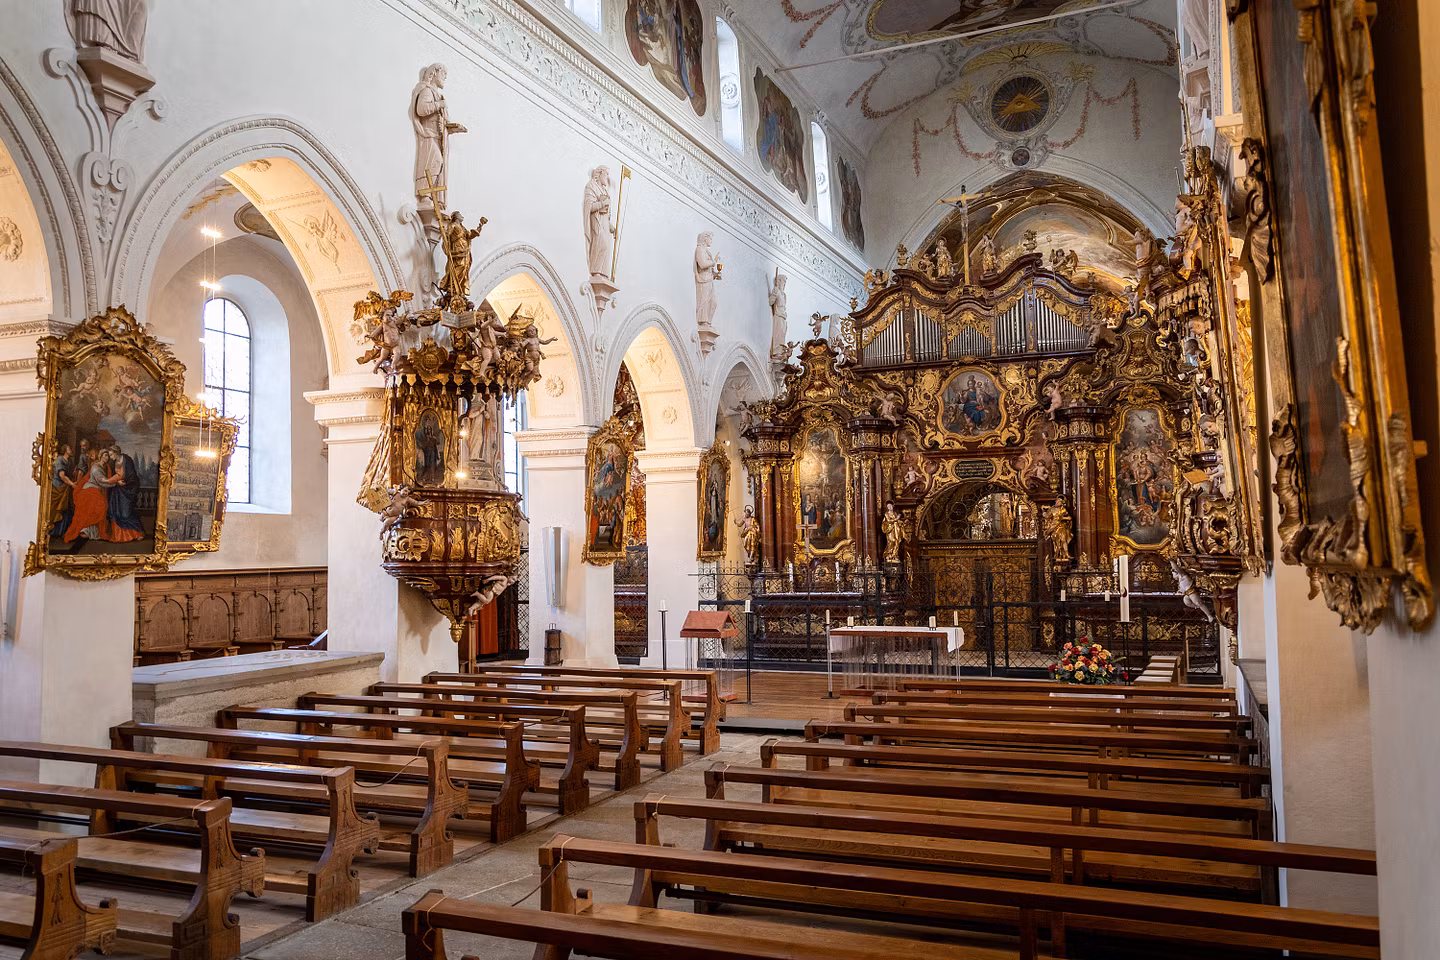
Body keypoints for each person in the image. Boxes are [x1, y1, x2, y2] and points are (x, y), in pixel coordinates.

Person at [104, 444, 145, 540]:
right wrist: (116, 482)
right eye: (109, 455)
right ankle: (119, 536)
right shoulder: (112, 462)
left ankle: (137, 533)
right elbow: (113, 476)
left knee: (126, 512)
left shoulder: (127, 460)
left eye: (111, 455)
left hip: (127, 489)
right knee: (116, 511)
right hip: (117, 491)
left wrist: (126, 482)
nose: (110, 457)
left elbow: (132, 475)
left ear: (116, 452)